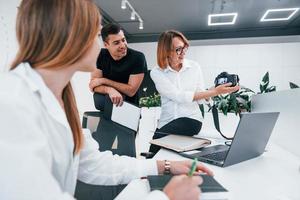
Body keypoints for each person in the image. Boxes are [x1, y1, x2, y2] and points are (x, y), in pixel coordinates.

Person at [0, 1, 213, 200]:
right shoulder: (12, 106)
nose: (99, 46)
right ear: (72, 36)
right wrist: (165, 197)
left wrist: (165, 166)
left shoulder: (60, 98)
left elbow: (94, 164)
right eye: (95, 35)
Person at [149, 30, 240, 154]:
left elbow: (200, 97)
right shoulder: (157, 72)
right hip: (167, 122)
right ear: (166, 51)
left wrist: (214, 90)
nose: (183, 53)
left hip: (191, 120)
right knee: (155, 149)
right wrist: (214, 92)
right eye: (178, 49)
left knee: (156, 141)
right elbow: (178, 96)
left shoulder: (194, 67)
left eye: (184, 48)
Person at [89, 23, 147, 110]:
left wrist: (104, 81)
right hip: (104, 108)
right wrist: (109, 90)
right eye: (116, 43)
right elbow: (93, 86)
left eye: (123, 40)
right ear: (106, 45)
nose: (123, 45)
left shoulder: (138, 58)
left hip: (129, 109)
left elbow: (131, 91)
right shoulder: (99, 55)